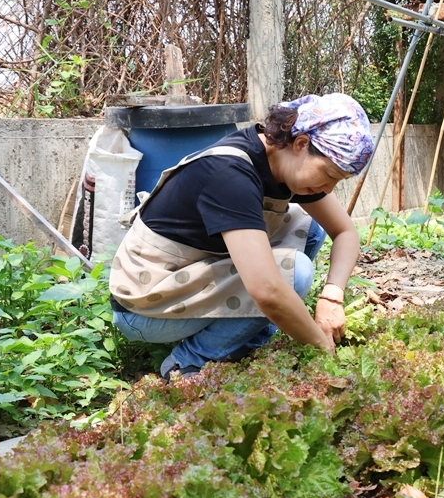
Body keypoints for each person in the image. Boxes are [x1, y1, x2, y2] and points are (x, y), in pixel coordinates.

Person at [108, 93, 373, 381]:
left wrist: (332, 297)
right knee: (293, 274)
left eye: (338, 181)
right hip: (146, 307)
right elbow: (267, 291)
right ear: (300, 144)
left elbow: (345, 231)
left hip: (191, 274)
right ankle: (189, 362)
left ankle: (250, 336)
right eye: (329, 175)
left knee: (311, 228)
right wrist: (322, 347)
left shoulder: (279, 160)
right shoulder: (231, 174)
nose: (329, 189)